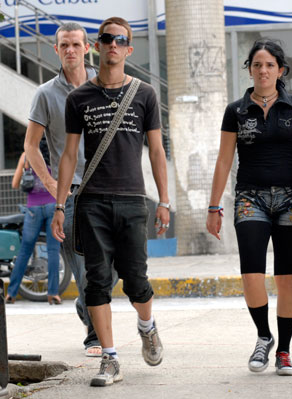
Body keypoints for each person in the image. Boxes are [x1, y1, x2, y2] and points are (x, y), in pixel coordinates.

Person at [51, 16, 169, 387]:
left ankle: (147, 327)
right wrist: (59, 205)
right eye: (107, 39)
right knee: (95, 283)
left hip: (133, 199)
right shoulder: (78, 98)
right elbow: (69, 155)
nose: (113, 45)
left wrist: (164, 200)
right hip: (92, 201)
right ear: (97, 46)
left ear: (128, 49)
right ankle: (110, 358)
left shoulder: (146, 94)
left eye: (120, 40)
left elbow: (156, 150)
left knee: (136, 280)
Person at [207, 39, 292, 376]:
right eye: (257, 65)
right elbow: (225, 160)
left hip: (290, 199)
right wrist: (214, 206)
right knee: (251, 274)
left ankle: (284, 350)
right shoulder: (236, 111)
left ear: (280, 70)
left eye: (270, 65)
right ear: (250, 70)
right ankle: (264, 336)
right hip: (250, 197)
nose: (263, 70)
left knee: (287, 277)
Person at [23, 22, 108, 357]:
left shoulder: (105, 86)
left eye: (75, 44)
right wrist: (50, 183)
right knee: (85, 269)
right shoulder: (44, 94)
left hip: (109, 191)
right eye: (63, 45)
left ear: (87, 48)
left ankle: (85, 304)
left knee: (112, 268)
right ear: (55, 50)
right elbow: (31, 145)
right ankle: (94, 335)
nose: (70, 50)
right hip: (70, 195)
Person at [8, 144, 60, 305]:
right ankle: (53, 294)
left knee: (25, 251)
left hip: (33, 209)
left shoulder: (26, 155)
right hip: (53, 205)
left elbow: (15, 184)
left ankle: (11, 293)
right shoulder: (54, 154)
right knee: (53, 250)